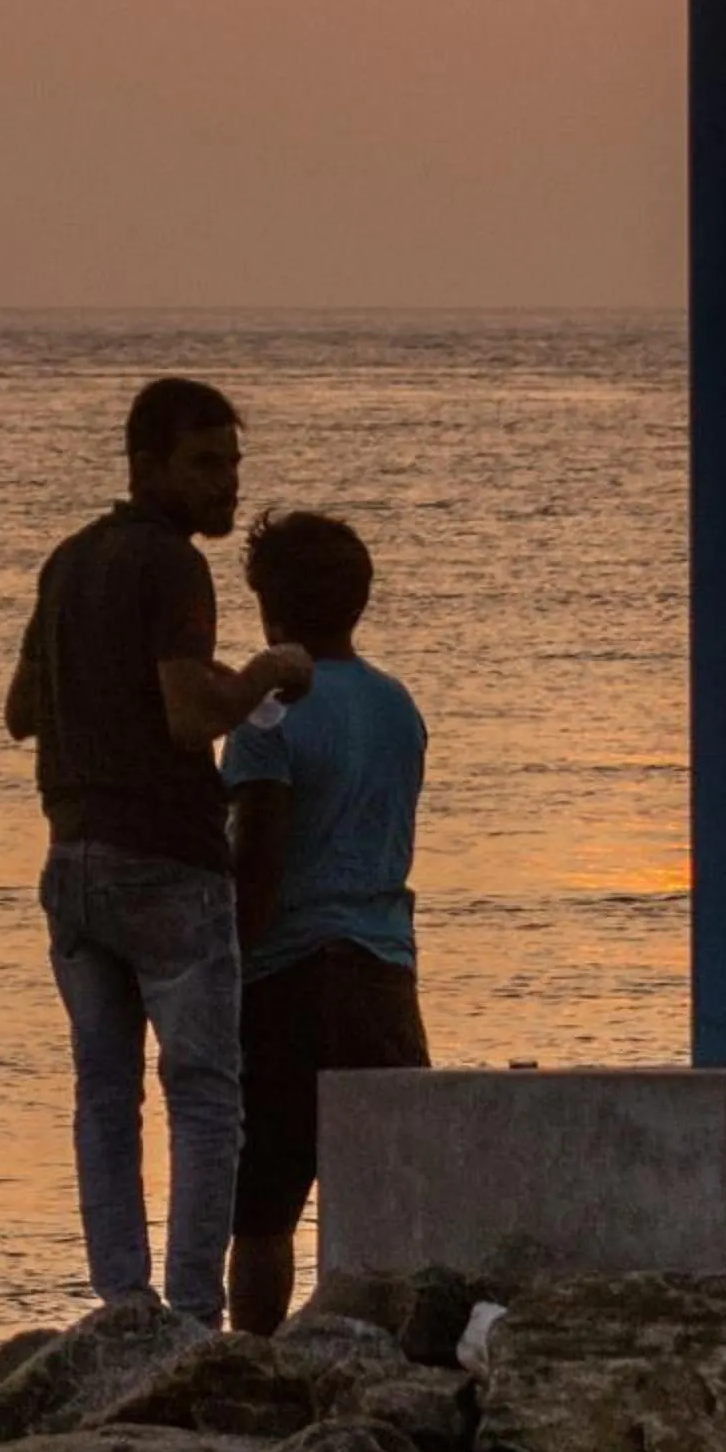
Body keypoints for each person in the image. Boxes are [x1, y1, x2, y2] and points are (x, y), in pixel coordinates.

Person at [4, 376, 315, 1327]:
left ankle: (120, 1302)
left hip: (74, 862)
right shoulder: (176, 569)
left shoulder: (68, 563)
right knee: (205, 1093)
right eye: (205, 465)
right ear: (146, 466)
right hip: (168, 866)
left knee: (104, 1090)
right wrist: (265, 674)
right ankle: (187, 1314)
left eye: (233, 465)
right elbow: (188, 721)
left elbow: (22, 712)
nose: (225, 485)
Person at [221, 506, 430, 1336]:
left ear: (268, 610)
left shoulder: (267, 711)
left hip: (287, 975)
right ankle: (384, 1352)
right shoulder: (396, 707)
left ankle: (254, 1358)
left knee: (263, 1206)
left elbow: (261, 850)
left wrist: (228, 957)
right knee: (385, 1197)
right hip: (384, 974)